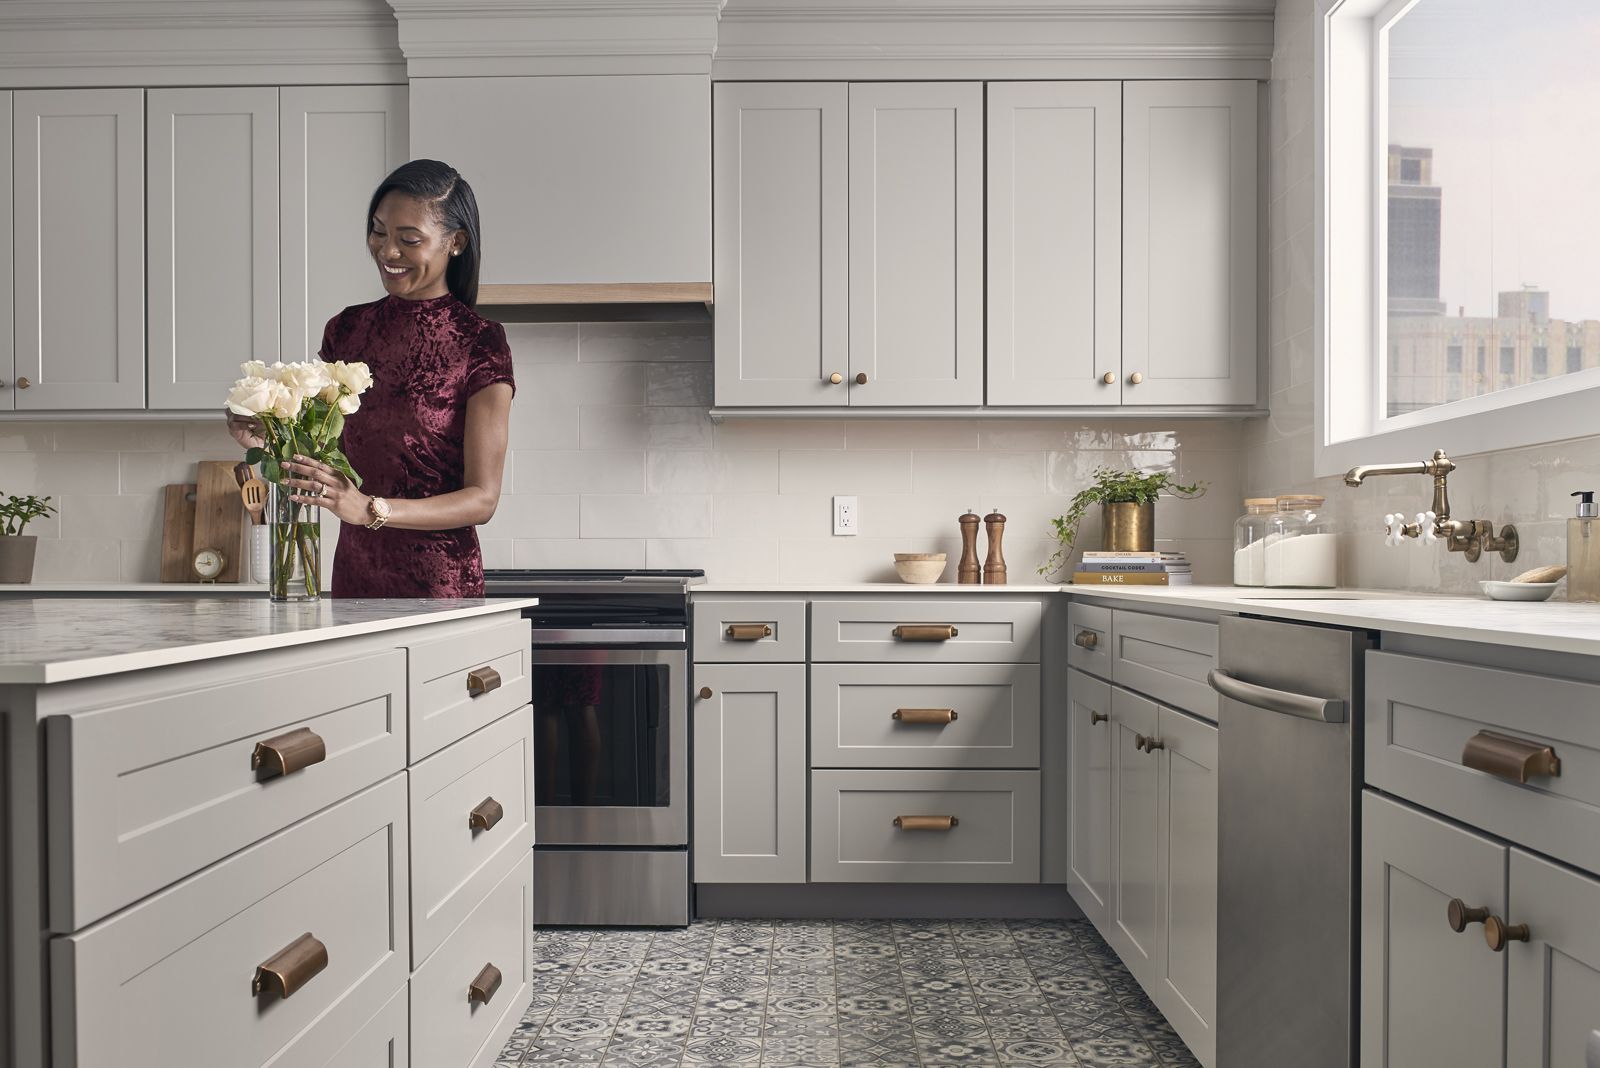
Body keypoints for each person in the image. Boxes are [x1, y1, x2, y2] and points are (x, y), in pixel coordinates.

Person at [228, 159, 514, 597]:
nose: (387, 251)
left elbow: (482, 499)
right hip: (352, 581)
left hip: (439, 588)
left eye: (409, 239)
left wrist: (371, 510)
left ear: (455, 242)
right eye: (379, 231)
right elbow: (331, 463)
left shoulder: (479, 342)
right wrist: (268, 440)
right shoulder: (346, 330)